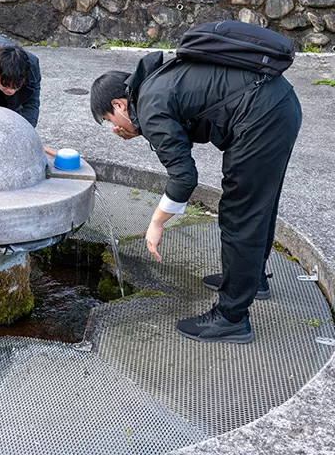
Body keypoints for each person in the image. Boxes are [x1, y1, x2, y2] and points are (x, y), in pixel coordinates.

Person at [89, 48, 302, 344]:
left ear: (119, 104)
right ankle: (249, 282)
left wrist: (157, 222)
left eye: (109, 118)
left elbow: (184, 176)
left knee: (241, 215)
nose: (115, 128)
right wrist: (142, 130)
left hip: (261, 119)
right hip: (277, 105)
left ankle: (231, 318)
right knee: (258, 205)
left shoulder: (150, 105)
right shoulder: (155, 84)